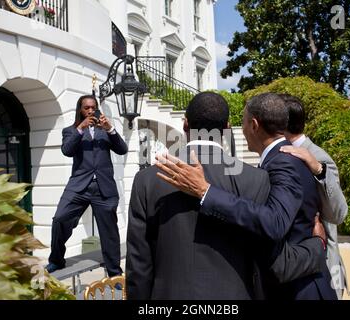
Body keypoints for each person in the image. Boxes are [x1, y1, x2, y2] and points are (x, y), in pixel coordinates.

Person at [126, 92, 327, 300]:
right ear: (228, 128)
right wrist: (316, 246)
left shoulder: (147, 180)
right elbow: (270, 257)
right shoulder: (256, 179)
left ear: (185, 125)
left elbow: (139, 265)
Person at [45, 95, 128, 278]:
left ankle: (114, 273)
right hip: (79, 187)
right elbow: (67, 151)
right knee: (60, 219)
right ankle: (56, 260)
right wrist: (81, 128)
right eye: (86, 108)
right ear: (80, 110)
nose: (90, 111)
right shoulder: (71, 130)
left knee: (109, 232)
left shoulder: (105, 131)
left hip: (104, 188)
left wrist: (111, 129)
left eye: (93, 107)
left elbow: (122, 149)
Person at [279, 94, 348, 299]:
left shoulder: (317, 156)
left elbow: (338, 213)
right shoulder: (282, 154)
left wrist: (319, 169)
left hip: (321, 269)